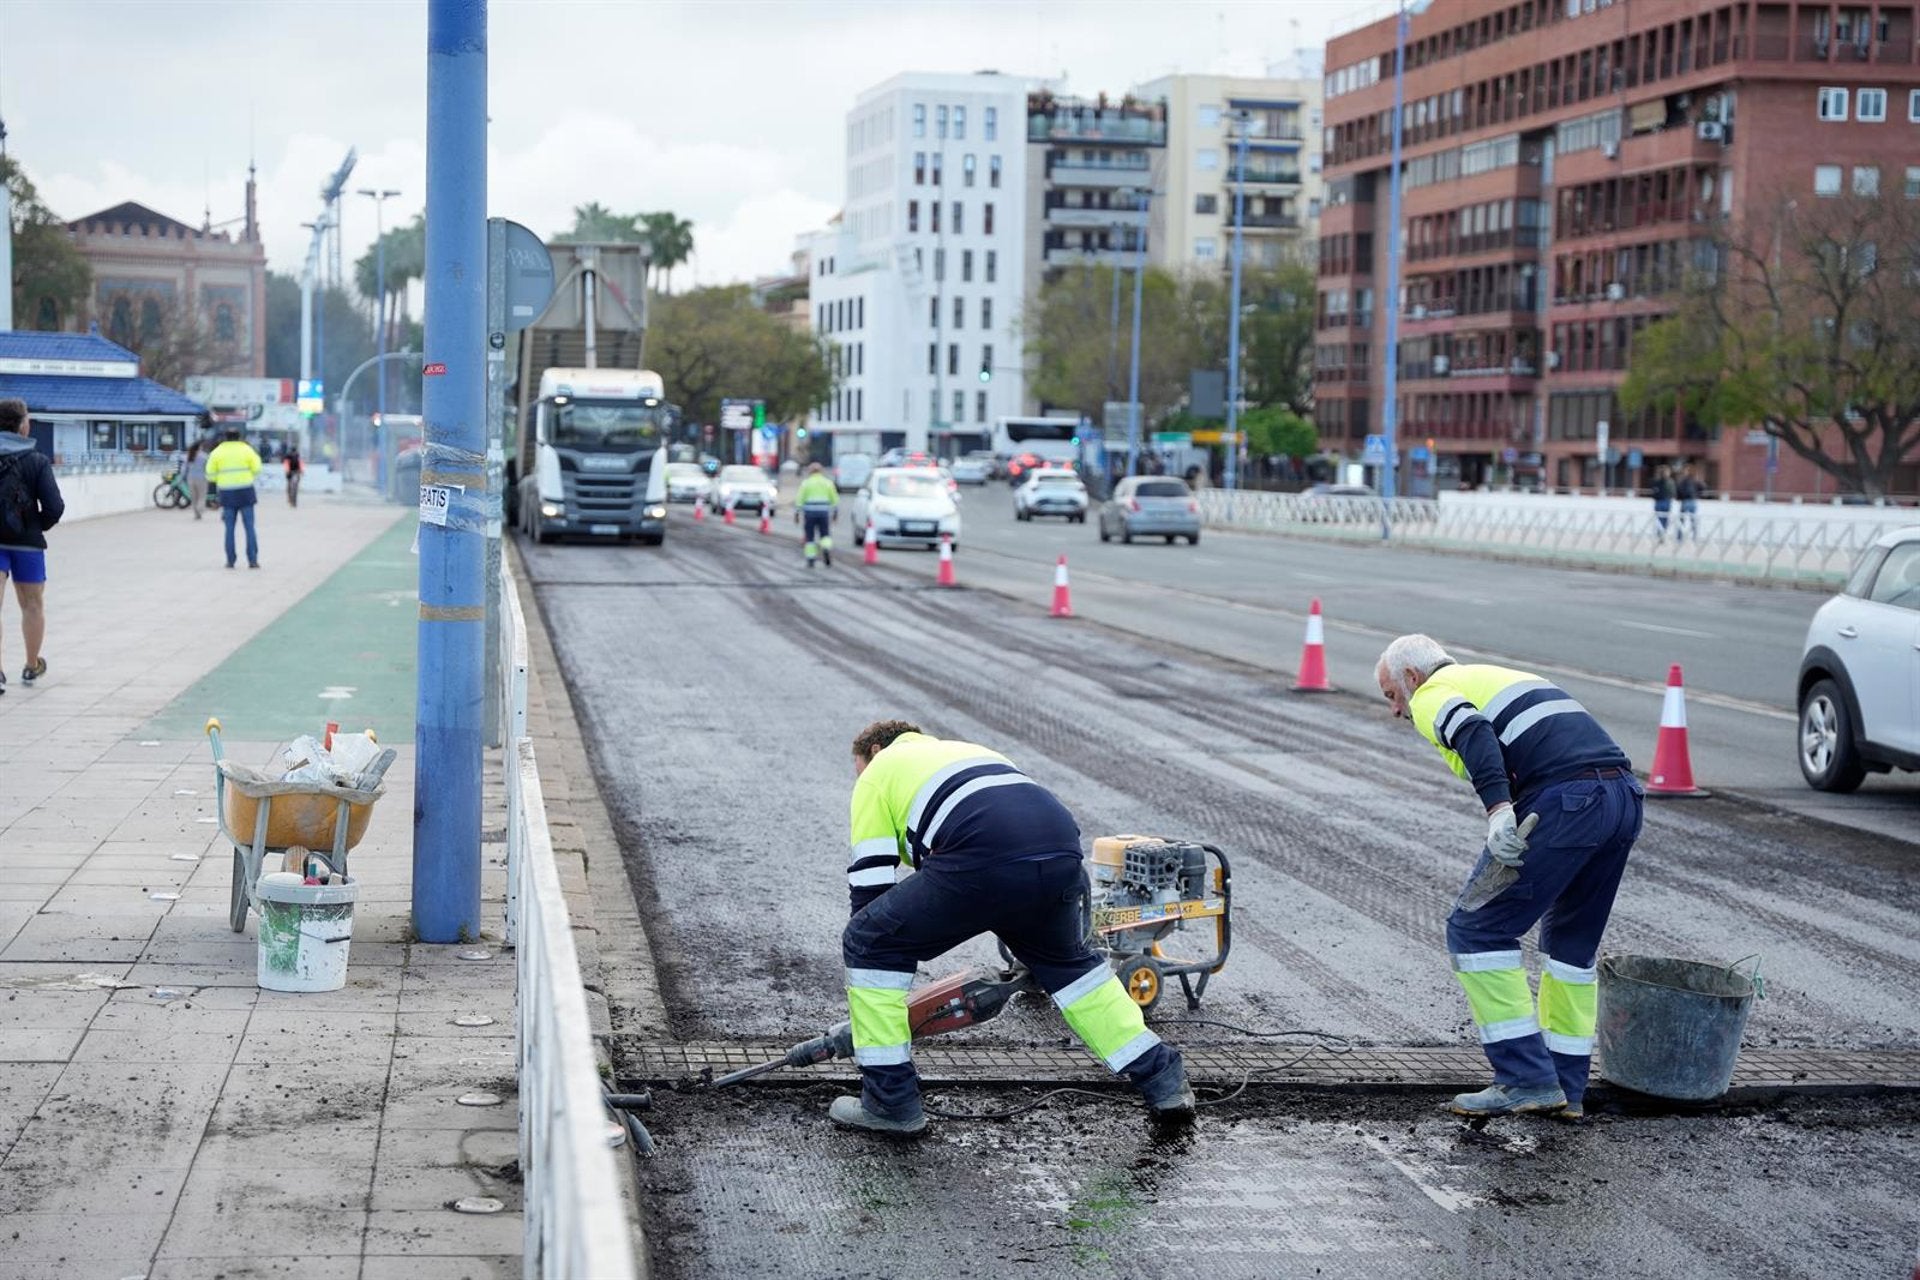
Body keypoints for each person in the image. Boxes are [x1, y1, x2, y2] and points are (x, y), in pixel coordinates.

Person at [834, 720, 1195, 1135]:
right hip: (1060, 853)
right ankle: (1162, 1076)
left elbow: (871, 884)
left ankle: (890, 1101)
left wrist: (872, 1005)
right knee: (1071, 969)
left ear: (875, 751)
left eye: (858, 769)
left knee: (868, 942)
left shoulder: (879, 771)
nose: (859, 779)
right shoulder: (970, 752)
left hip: (981, 857)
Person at [1375, 634, 1642, 1120]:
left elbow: (1472, 730)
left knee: (1476, 929)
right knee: (1570, 950)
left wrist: (1499, 811)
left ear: (1411, 678)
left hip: (1568, 802)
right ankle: (1566, 1088)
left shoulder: (1436, 689)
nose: (1396, 711)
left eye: (1392, 696)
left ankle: (1523, 1079)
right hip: (1622, 799)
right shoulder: (1494, 676)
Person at [0, 399, 65, 693]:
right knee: (32, 605)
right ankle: (30, 665)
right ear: (21, 424)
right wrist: (34, 525)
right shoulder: (36, 460)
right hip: (27, 543)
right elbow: (54, 506)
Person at [205, 426, 264, 569]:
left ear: (225, 437)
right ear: (239, 437)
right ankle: (253, 560)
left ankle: (230, 560)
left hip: (227, 493)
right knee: (249, 527)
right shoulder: (247, 450)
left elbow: (210, 474)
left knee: (229, 528)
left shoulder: (217, 452)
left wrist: (220, 481)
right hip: (246, 491)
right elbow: (257, 469)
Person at [795, 462, 838, 568]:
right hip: (823, 513)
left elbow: (800, 499)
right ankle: (826, 549)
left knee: (810, 536)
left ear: (810, 471)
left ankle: (811, 558)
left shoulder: (806, 483)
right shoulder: (828, 483)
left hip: (809, 513)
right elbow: (834, 499)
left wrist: (796, 513)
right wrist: (835, 512)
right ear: (821, 471)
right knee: (825, 534)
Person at [185, 434, 211, 519]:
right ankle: (200, 509)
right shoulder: (204, 456)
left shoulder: (188, 456)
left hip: (190, 479)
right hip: (202, 478)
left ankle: (197, 514)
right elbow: (208, 468)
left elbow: (184, 469)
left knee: (194, 497)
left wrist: (182, 478)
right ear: (200, 447)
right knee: (202, 496)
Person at [1675, 464, 1701, 543]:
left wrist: (1679, 497)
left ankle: (1679, 538)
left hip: (1686, 501)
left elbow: (1679, 490)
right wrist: (1697, 495)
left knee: (1682, 520)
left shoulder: (1683, 480)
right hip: (1692, 501)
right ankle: (1694, 537)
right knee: (1692, 520)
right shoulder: (1695, 480)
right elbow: (1702, 487)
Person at [1650, 465, 1675, 540]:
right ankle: (1660, 534)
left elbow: (1673, 492)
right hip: (1660, 502)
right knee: (1659, 519)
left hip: (1666, 501)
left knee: (1664, 519)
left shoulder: (1670, 482)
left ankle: (1662, 534)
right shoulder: (1657, 481)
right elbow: (1654, 491)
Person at [285, 444, 304, 508]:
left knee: (291, 488)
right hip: (295, 472)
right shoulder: (296, 455)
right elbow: (300, 463)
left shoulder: (289, 455)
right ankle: (293, 501)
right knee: (294, 488)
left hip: (292, 473)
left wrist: (287, 471)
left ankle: (292, 500)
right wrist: (301, 471)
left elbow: (286, 464)